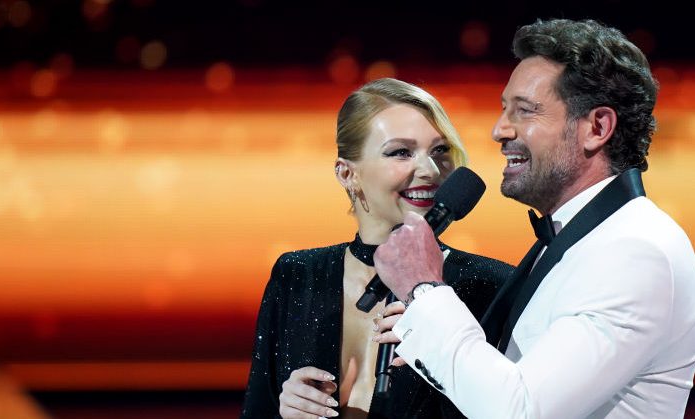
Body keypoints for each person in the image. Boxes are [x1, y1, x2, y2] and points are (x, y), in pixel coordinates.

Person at [373, 19, 695, 418]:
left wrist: (424, 289)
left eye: (525, 111)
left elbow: (520, 410)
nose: (499, 130)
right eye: (503, 109)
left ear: (597, 127)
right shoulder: (578, 235)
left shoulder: (636, 251)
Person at [240, 78, 514, 418]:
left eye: (440, 151)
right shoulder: (298, 275)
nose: (430, 170)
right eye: (401, 152)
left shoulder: (492, 285)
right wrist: (286, 412)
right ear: (347, 174)